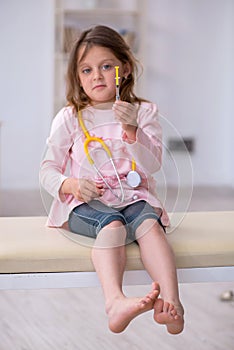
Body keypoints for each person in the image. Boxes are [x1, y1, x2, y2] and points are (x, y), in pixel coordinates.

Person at [40, 25, 184, 334]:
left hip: (132, 199)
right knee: (112, 225)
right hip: (85, 204)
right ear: (78, 77)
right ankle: (114, 302)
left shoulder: (143, 112)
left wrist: (133, 131)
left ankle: (171, 302)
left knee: (149, 225)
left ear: (125, 69)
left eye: (106, 66)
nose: (97, 76)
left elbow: (153, 164)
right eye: (86, 69)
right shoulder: (70, 117)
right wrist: (72, 185)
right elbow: (47, 171)